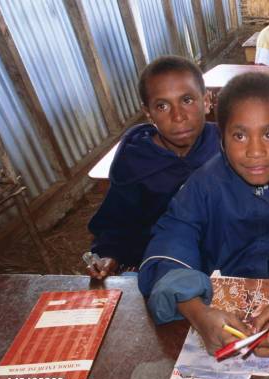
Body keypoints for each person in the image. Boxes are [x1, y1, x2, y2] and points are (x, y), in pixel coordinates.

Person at [138, 73, 269, 357]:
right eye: (239, 135)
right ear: (220, 137)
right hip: (219, 316)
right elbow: (172, 241)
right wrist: (197, 314)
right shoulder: (204, 183)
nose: (255, 152)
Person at [86, 56, 220, 280]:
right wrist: (110, 254)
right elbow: (116, 222)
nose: (178, 116)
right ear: (148, 113)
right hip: (158, 260)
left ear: (206, 101)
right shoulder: (135, 161)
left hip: (224, 254)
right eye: (162, 106)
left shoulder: (226, 145)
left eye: (187, 100)